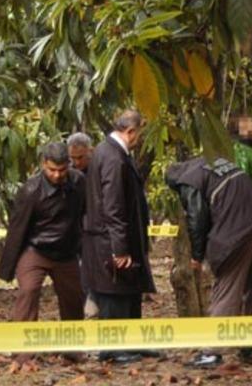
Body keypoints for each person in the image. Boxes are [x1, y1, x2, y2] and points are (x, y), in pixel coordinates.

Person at [166, 156, 252, 367]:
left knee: (226, 289)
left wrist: (197, 257)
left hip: (238, 231)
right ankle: (249, 346)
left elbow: (197, 217)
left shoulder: (188, 180)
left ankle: (212, 351)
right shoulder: (213, 163)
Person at [0, 142, 86, 367]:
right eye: (51, 170)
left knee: (74, 297)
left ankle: (73, 350)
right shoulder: (30, 190)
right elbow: (17, 230)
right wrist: (7, 269)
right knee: (28, 291)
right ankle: (23, 353)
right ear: (42, 165)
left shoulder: (78, 182)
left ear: (69, 164)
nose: (57, 175)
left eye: (62, 170)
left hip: (66, 252)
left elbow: (87, 214)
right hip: (35, 249)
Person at [82, 110, 156, 364]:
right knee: (114, 294)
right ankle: (114, 349)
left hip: (117, 237)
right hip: (108, 240)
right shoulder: (112, 157)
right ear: (130, 131)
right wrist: (120, 248)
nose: (140, 140)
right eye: (140, 135)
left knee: (129, 292)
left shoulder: (114, 152)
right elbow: (113, 206)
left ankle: (132, 343)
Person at [67, 132, 98, 320]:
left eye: (81, 157)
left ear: (90, 151)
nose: (76, 162)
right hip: (76, 236)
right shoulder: (67, 175)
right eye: (73, 158)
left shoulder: (100, 169)